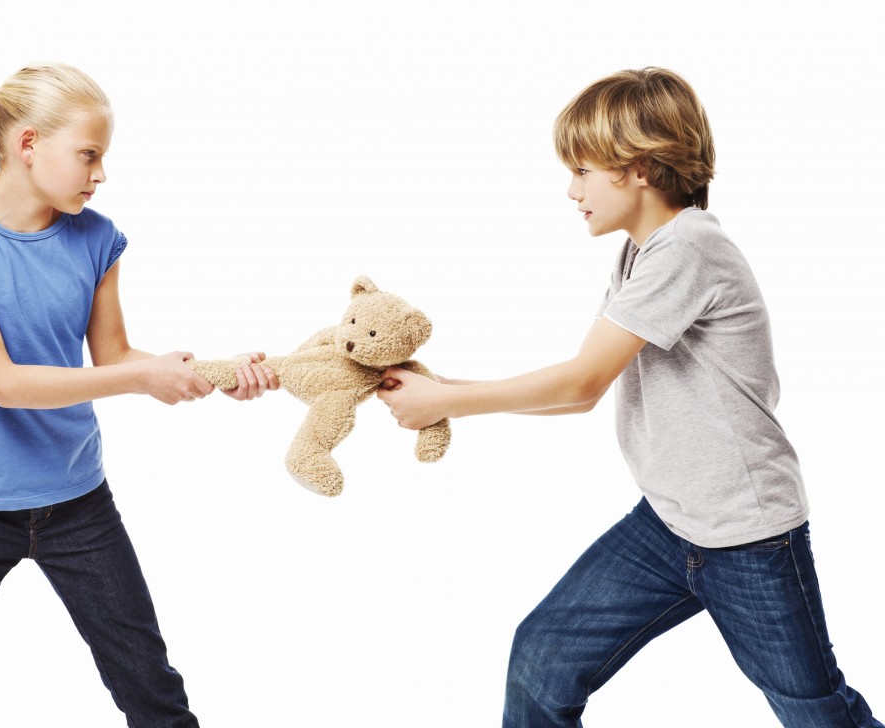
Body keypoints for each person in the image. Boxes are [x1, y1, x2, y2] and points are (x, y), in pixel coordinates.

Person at [377, 67, 881, 727]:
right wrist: (444, 393)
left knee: (813, 708)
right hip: (670, 525)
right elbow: (583, 385)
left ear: (639, 168)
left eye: (583, 169)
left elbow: (581, 382)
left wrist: (447, 403)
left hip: (749, 537)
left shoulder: (690, 248)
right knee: (541, 659)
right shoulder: (639, 253)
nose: (570, 189)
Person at [0, 62, 278, 727]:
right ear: (28, 145)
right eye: (89, 154)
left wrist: (217, 373)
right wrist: (142, 379)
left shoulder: (97, 241)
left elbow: (115, 357)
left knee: (153, 691)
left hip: (78, 503)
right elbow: (4, 382)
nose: (101, 173)